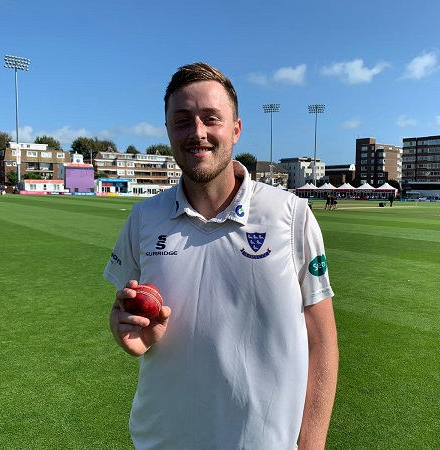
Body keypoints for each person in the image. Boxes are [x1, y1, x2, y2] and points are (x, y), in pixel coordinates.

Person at [104, 62, 339, 450]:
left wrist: (311, 444)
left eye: (211, 118)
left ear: (236, 129)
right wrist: (122, 327)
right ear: (167, 131)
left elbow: (323, 339)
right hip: (162, 441)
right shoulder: (144, 217)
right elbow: (125, 312)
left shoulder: (291, 215)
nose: (197, 132)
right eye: (181, 120)